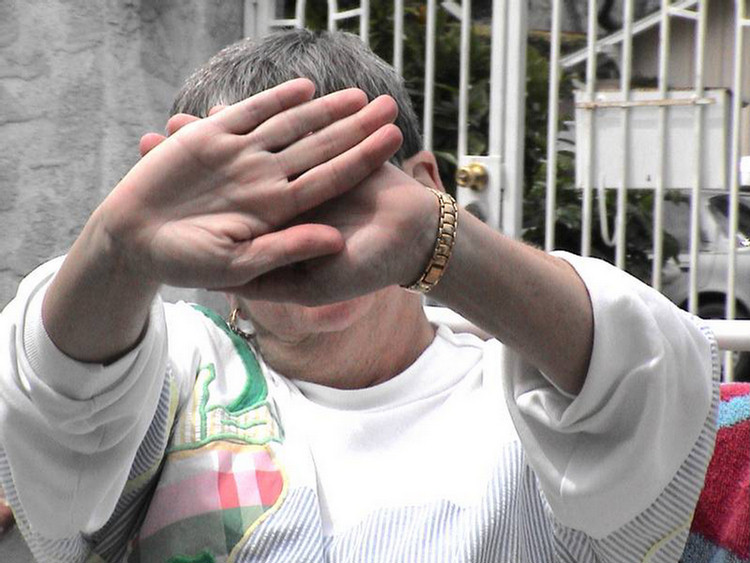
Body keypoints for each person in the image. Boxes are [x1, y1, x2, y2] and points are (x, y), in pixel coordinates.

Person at [0, 29, 718, 563]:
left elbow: (652, 384)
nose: (303, 230)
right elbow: (59, 408)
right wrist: (112, 253)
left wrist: (440, 240)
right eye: (253, 202)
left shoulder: (530, 395)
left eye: (339, 182)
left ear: (426, 181)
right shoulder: (185, 370)